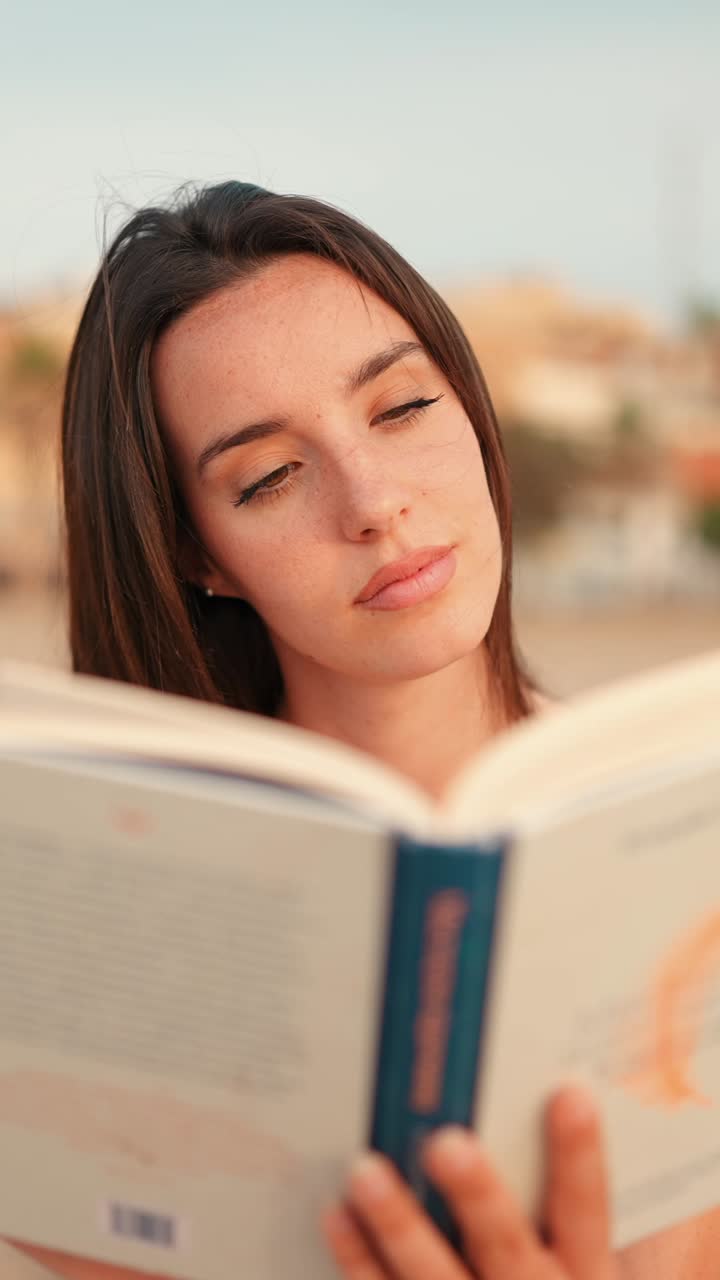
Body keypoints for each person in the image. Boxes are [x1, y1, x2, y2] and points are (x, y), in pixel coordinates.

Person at [8, 181, 719, 1280]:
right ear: (198, 556)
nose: (374, 499)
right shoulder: (122, 956)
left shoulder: (688, 831)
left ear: (474, 413)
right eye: (272, 474)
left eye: (400, 408)